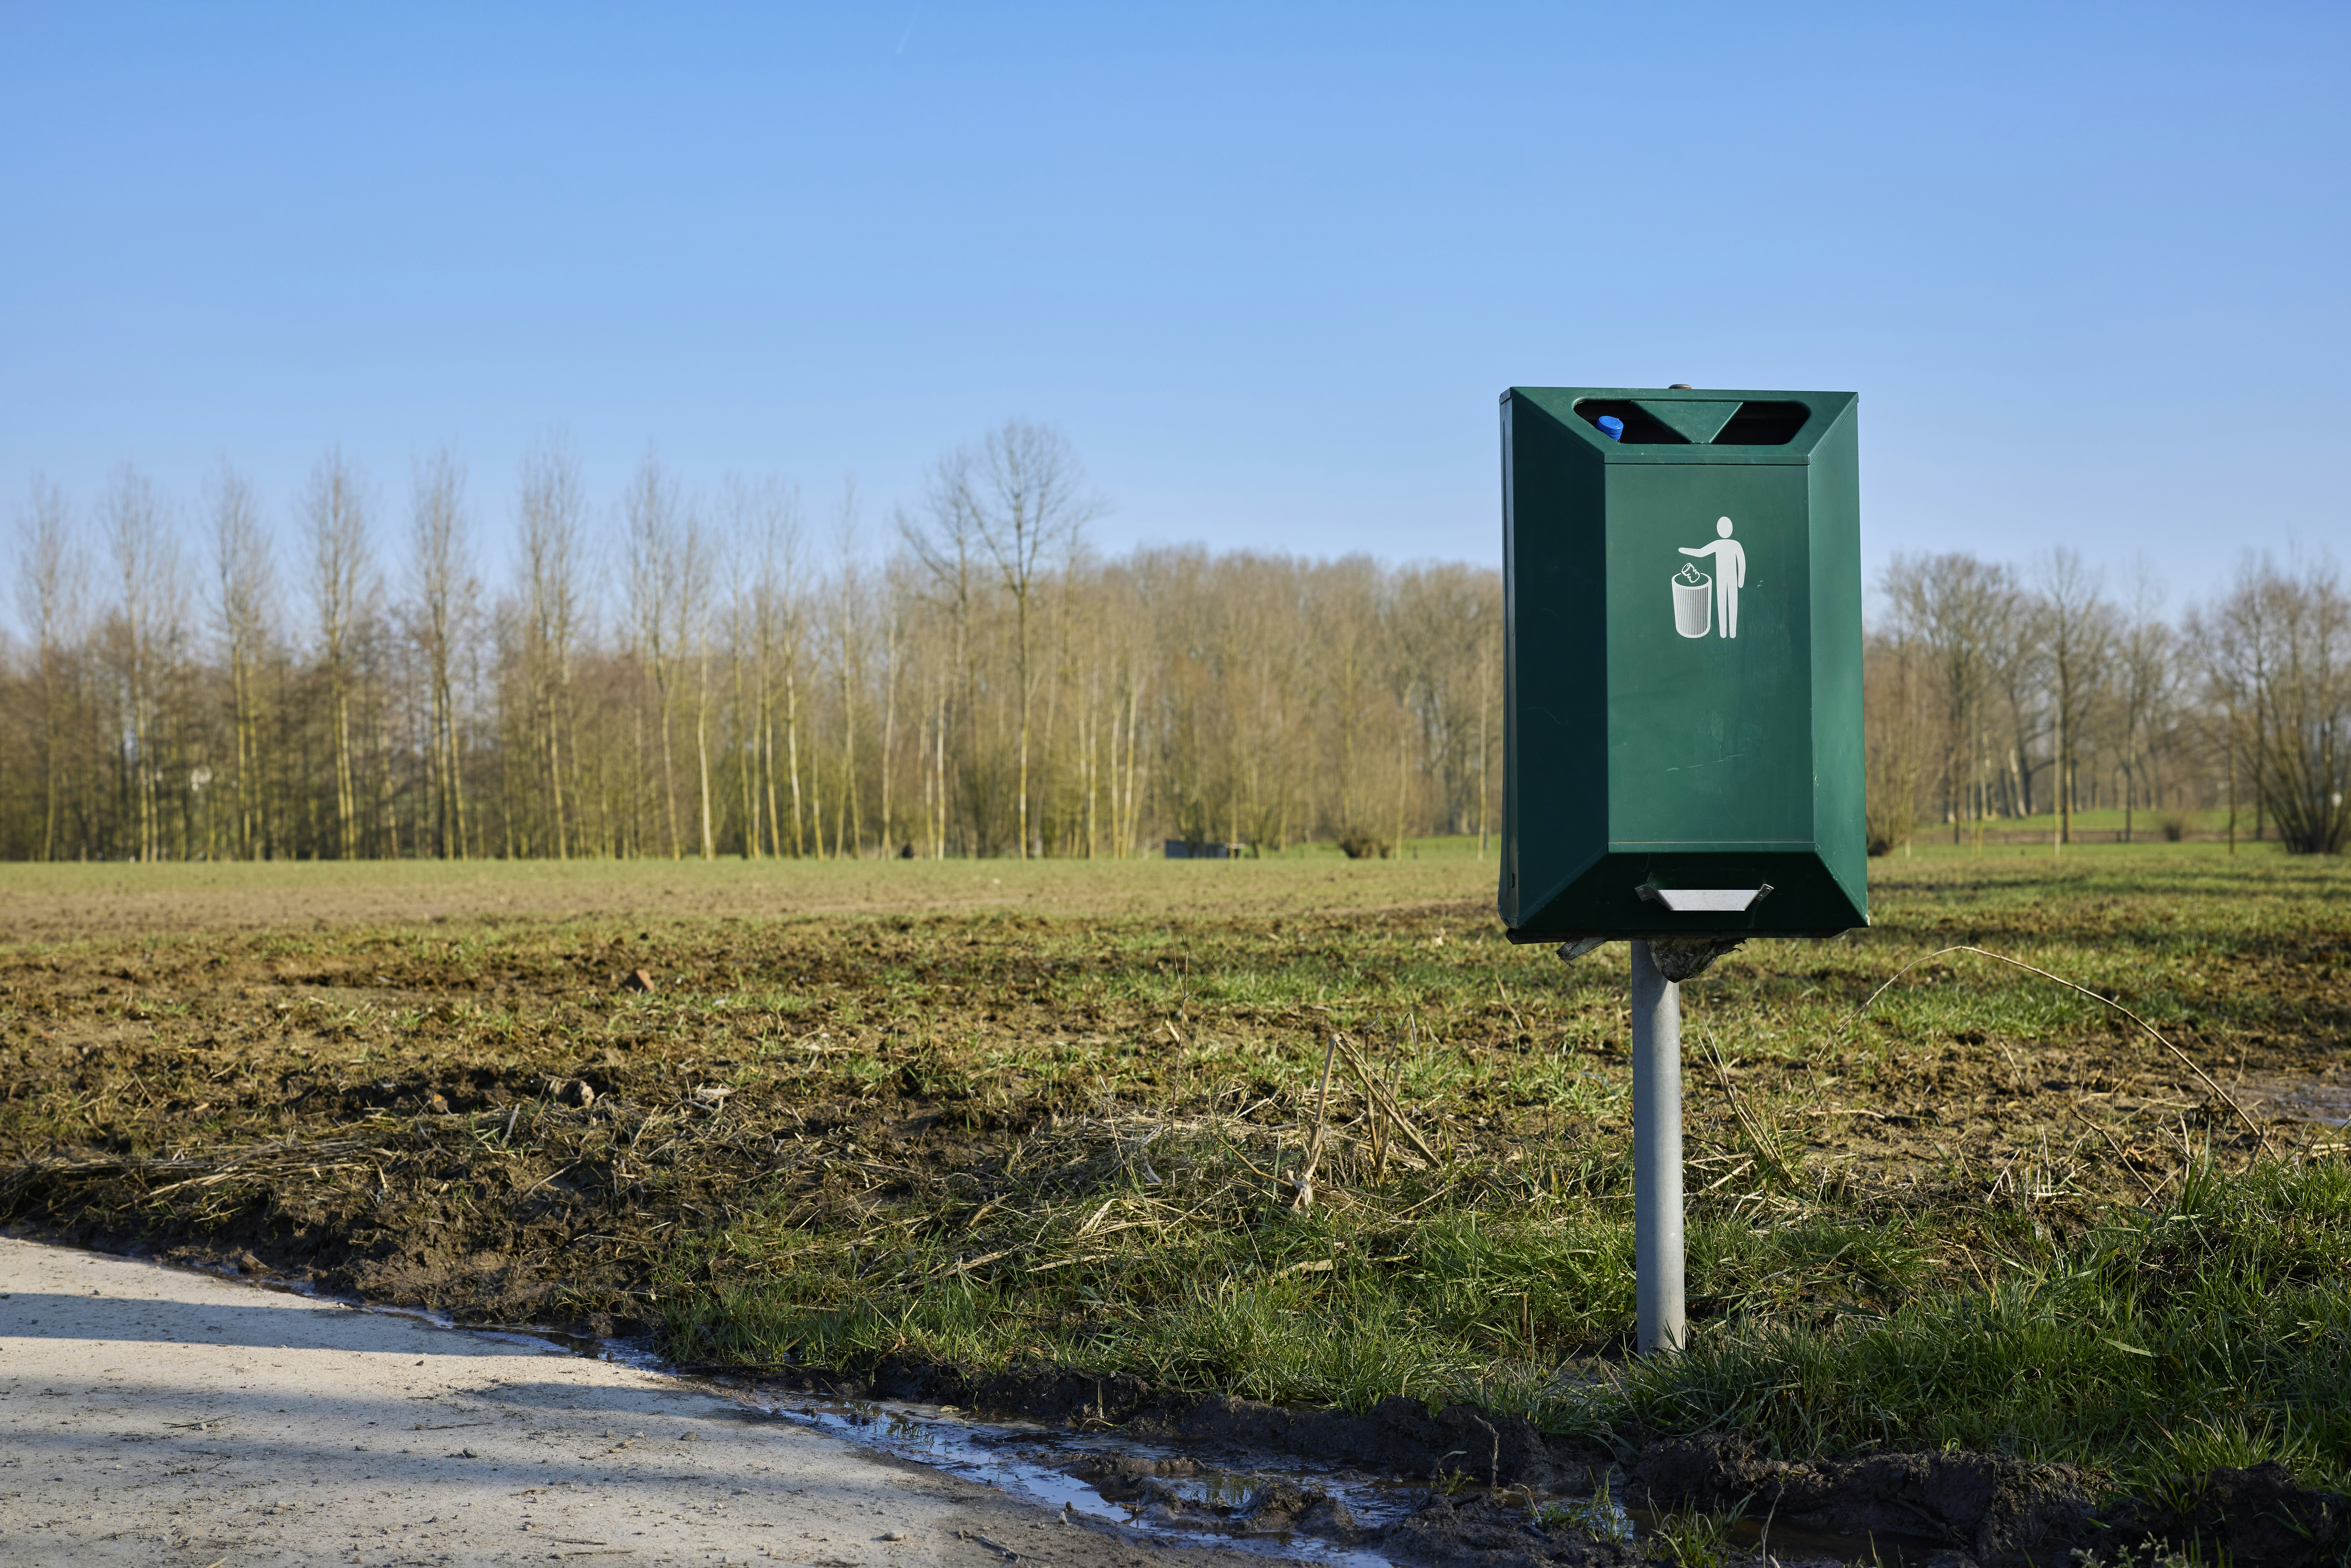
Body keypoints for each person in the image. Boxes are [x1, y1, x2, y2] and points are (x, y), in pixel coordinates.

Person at [1678, 517, 1745, 638]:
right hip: (1724, 579)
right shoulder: (1730, 544)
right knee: (1724, 603)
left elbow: (1742, 562)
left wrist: (1741, 581)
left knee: (1730, 603)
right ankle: (1725, 633)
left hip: (1730, 579)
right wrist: (1684, 550)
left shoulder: (1732, 544)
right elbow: (1700, 553)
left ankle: (1729, 633)